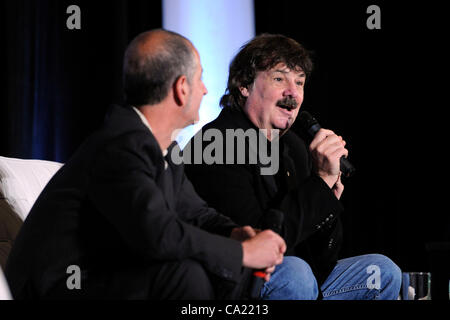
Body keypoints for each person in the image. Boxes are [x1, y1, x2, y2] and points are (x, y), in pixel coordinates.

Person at [4, 29, 286, 300]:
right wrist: (242, 253)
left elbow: (196, 213)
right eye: (200, 79)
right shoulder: (120, 145)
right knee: (185, 275)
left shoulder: (162, 147)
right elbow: (157, 234)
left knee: (230, 272)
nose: (205, 90)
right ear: (181, 88)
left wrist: (237, 233)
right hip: (58, 286)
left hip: (105, 276)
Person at [184, 33, 402, 299]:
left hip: (297, 277)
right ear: (244, 84)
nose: (293, 93)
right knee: (295, 273)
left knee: (381, 272)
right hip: (235, 283)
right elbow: (261, 243)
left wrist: (325, 201)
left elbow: (321, 261)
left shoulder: (294, 148)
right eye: (279, 79)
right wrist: (318, 183)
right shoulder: (217, 143)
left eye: (299, 83)